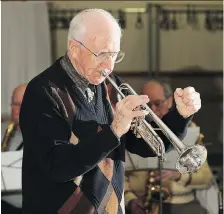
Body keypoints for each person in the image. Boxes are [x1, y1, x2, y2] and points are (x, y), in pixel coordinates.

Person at [19, 9, 202, 214]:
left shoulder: (111, 84)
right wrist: (114, 131)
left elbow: (149, 146)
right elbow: (58, 167)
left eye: (114, 55)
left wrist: (180, 115)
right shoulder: (43, 92)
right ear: (74, 48)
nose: (108, 65)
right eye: (102, 54)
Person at [124, 79, 213, 214]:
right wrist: (130, 200)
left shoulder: (190, 129)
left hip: (180, 204)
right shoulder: (133, 130)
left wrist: (178, 175)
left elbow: (206, 178)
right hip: (140, 204)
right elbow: (119, 173)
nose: (152, 110)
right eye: (147, 105)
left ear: (170, 101)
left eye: (158, 103)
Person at [1, 84, 27, 214]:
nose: (16, 110)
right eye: (14, 104)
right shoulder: (3, 130)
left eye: (22, 105)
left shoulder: (47, 134)